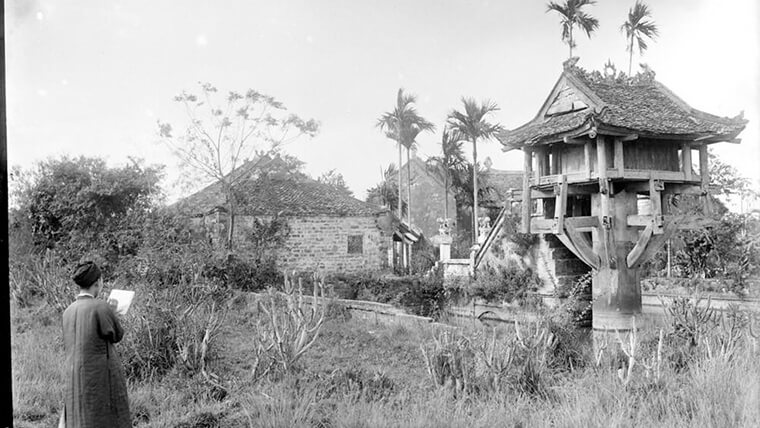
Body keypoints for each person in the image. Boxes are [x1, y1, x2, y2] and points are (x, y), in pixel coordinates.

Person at [61, 261, 130, 428]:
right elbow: (117, 335)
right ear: (98, 282)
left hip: (74, 373)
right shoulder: (101, 307)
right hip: (99, 374)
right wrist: (112, 312)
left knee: (79, 414)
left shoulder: (68, 311)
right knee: (105, 417)